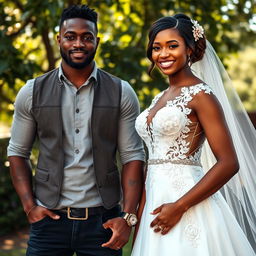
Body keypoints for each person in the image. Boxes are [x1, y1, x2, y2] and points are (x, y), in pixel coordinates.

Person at [7, 5, 145, 256]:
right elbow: (17, 153)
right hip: (48, 221)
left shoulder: (121, 92)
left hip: (103, 222)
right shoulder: (32, 91)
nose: (78, 43)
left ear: (97, 41)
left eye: (87, 37)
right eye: (70, 37)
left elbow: (133, 157)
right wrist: (29, 207)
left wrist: (128, 217)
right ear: (59, 39)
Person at [131, 14, 256, 255]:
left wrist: (179, 206)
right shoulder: (160, 97)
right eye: (157, 48)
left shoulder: (202, 95)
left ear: (190, 49)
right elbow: (153, 164)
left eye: (172, 46)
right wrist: (139, 221)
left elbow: (229, 162)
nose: (163, 54)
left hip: (188, 204)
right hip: (154, 202)